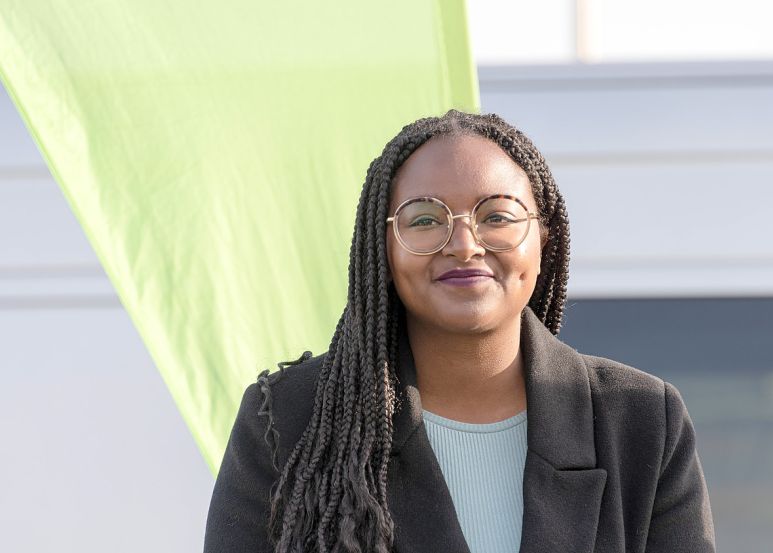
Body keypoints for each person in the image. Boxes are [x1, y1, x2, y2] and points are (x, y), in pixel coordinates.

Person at [203, 110, 715, 553]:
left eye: (497, 215)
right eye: (425, 220)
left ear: (544, 237)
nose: (465, 244)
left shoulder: (642, 422)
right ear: (381, 247)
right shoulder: (288, 421)